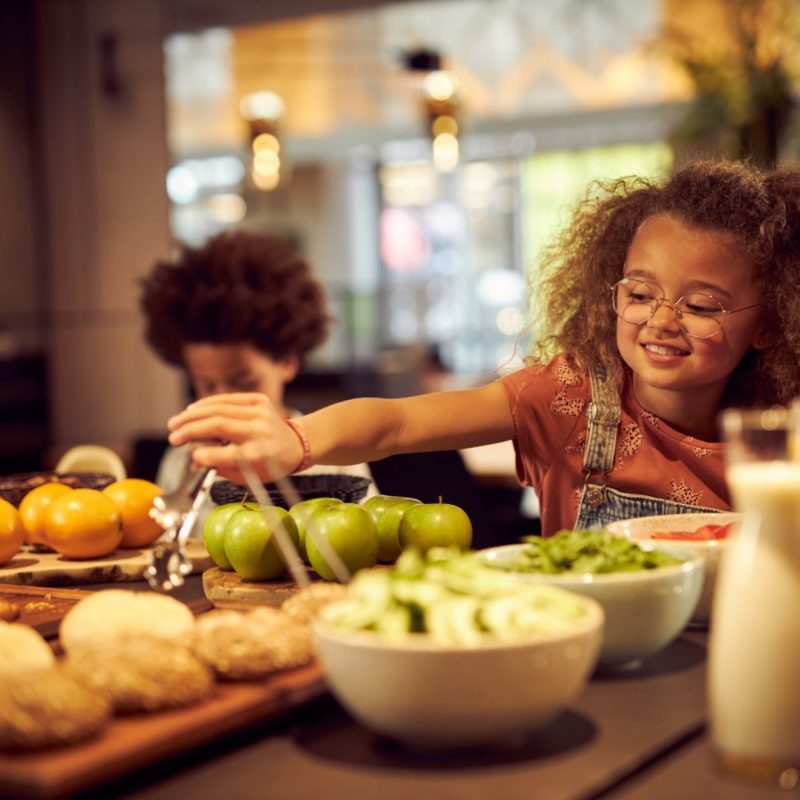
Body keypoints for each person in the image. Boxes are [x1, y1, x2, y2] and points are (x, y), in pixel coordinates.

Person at [164, 161, 800, 537]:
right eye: (640, 292)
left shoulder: (781, 441)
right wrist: (296, 443)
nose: (662, 320)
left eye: (701, 306)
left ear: (769, 322)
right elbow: (398, 422)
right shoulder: (571, 396)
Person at [139, 229, 376, 497]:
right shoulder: (184, 459)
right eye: (206, 385)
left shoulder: (335, 453)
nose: (224, 400)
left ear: (287, 361)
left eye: (244, 382)